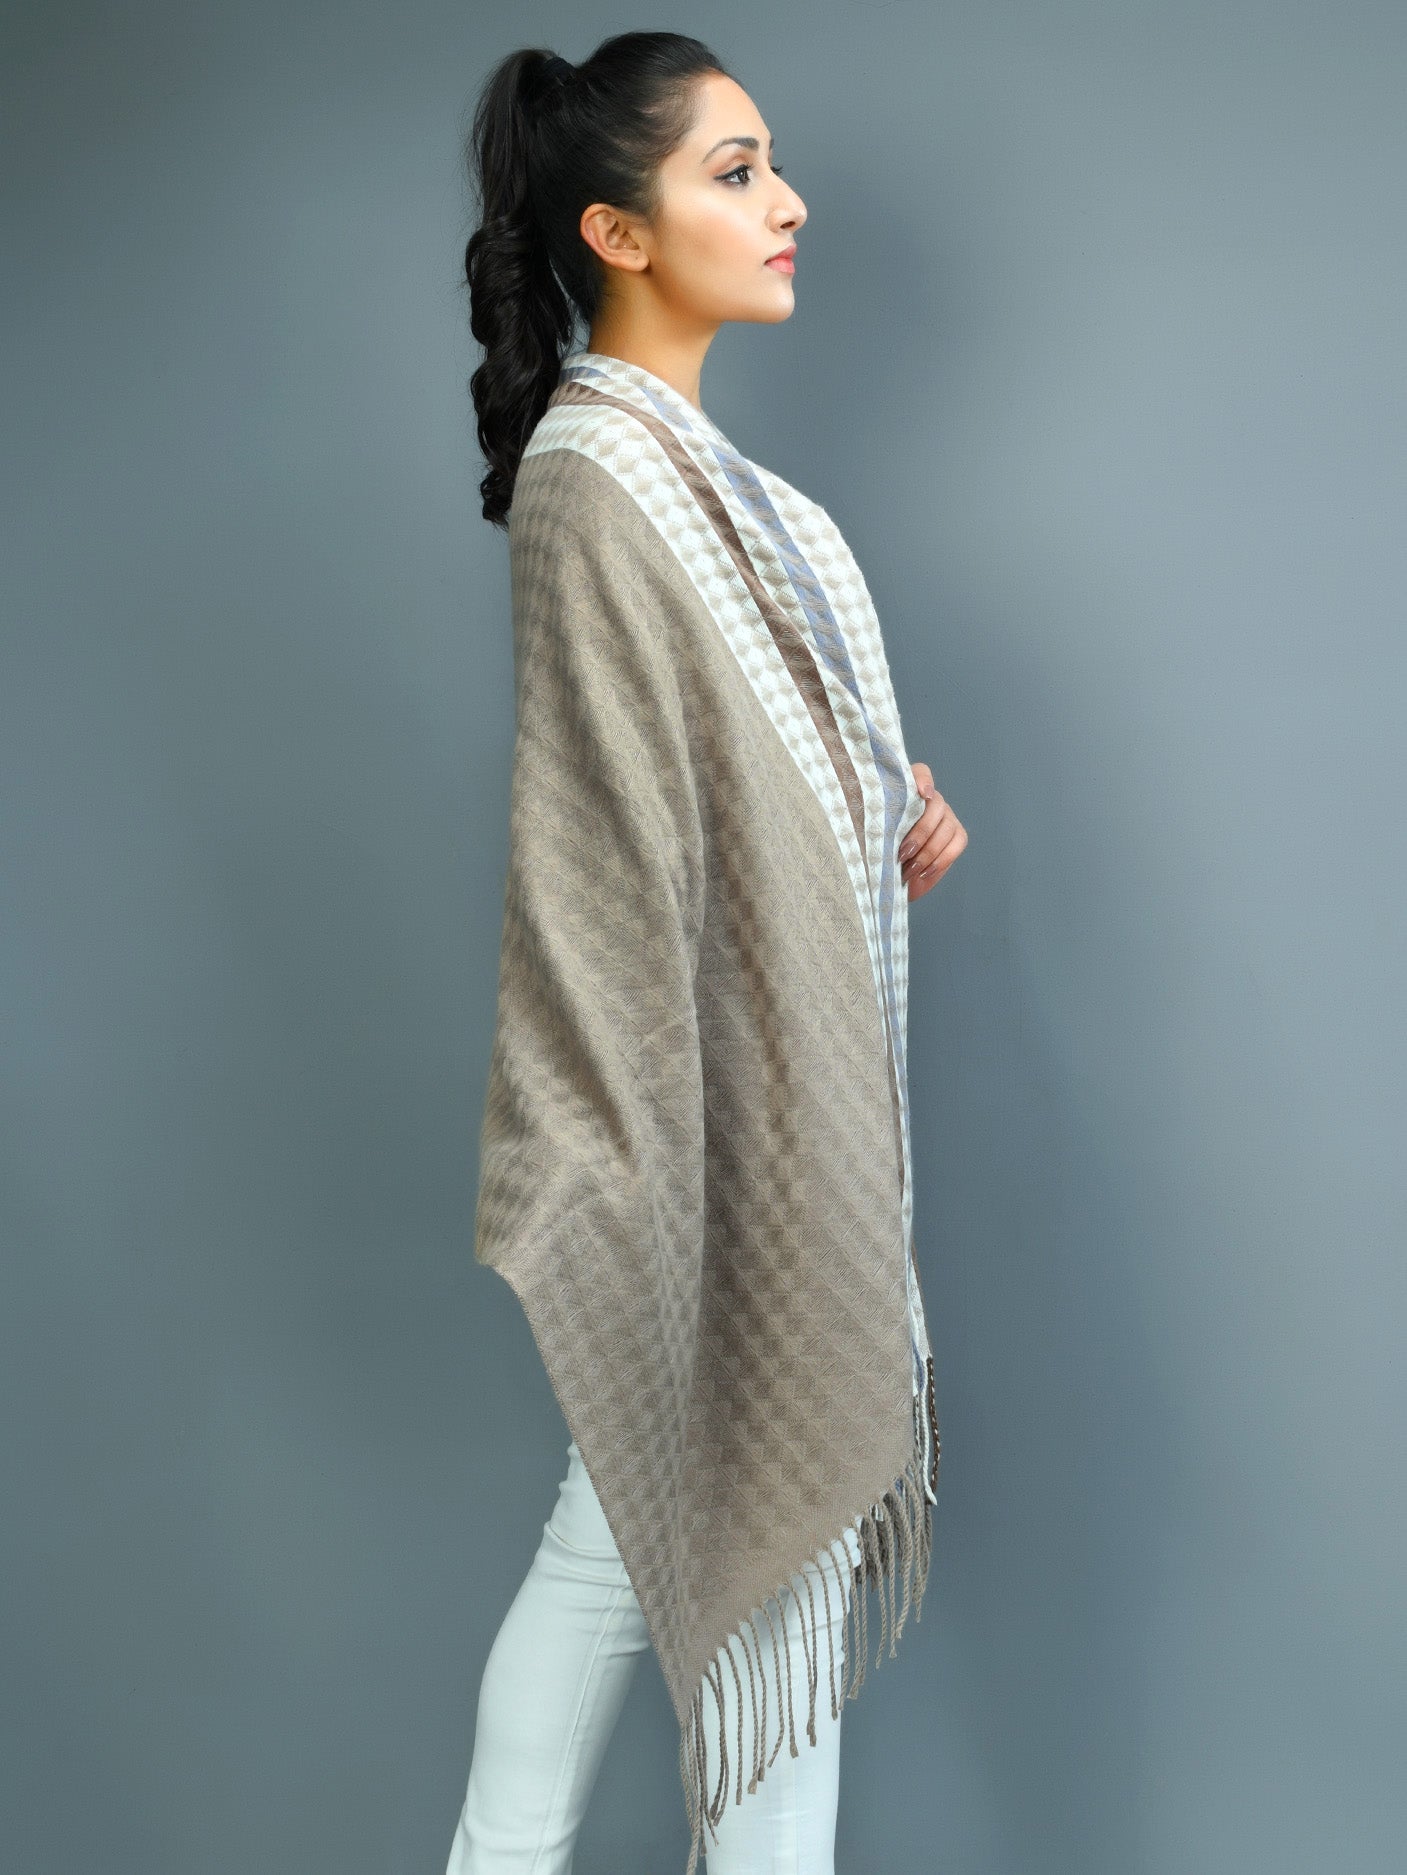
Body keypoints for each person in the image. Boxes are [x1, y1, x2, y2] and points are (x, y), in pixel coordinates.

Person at [446, 31, 968, 1875]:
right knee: (736, 1578)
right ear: (619, 230)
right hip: (708, 1144)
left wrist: (877, 806)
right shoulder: (603, 475)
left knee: (650, 1571)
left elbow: (738, 789)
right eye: (735, 172)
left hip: (771, 1122)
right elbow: (605, 845)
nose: (786, 201)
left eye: (774, 164)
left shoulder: (721, 486)